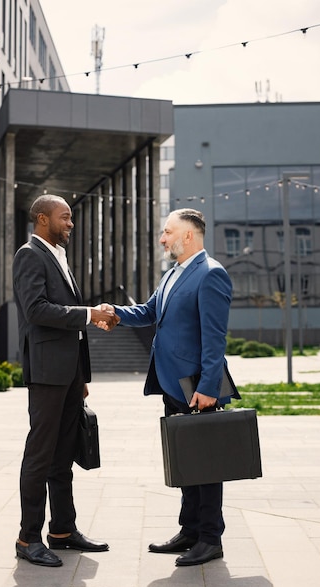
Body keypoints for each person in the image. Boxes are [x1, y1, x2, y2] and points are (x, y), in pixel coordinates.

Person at [100, 208, 240, 566]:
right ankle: (190, 530)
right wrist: (112, 312)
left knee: (207, 465)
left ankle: (211, 538)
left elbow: (215, 339)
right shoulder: (172, 274)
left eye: (167, 232)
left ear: (188, 236)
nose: (162, 238)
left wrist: (209, 387)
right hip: (173, 384)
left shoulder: (211, 275)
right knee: (186, 460)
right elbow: (149, 312)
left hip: (198, 387)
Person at [12, 194, 118, 567]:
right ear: (42, 219)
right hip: (45, 373)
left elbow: (66, 323)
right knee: (40, 454)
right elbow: (37, 310)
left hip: (69, 373)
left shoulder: (58, 255)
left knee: (63, 453)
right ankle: (28, 538)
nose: (70, 223)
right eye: (65, 217)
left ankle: (62, 530)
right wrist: (89, 313)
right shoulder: (29, 255)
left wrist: (81, 376)